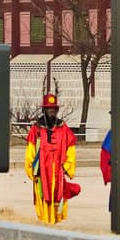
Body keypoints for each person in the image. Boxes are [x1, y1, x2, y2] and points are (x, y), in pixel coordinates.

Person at [25, 94, 78, 224]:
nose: (51, 111)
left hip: (58, 170)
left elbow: (71, 149)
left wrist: (67, 167)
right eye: (49, 109)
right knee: (43, 194)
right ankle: (45, 221)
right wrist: (32, 169)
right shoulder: (36, 129)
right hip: (43, 170)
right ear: (44, 110)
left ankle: (55, 222)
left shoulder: (63, 128)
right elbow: (30, 151)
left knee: (57, 194)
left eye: (53, 109)